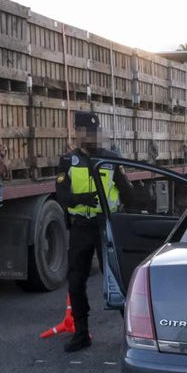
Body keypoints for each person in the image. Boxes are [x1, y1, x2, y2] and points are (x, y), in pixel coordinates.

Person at [54, 111, 130, 352]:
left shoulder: (111, 159)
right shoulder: (68, 161)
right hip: (81, 229)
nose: (90, 136)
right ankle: (82, 333)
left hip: (106, 226)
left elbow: (127, 192)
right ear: (77, 133)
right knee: (76, 281)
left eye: (94, 132)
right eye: (85, 131)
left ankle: (131, 335)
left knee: (119, 282)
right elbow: (62, 195)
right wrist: (82, 198)